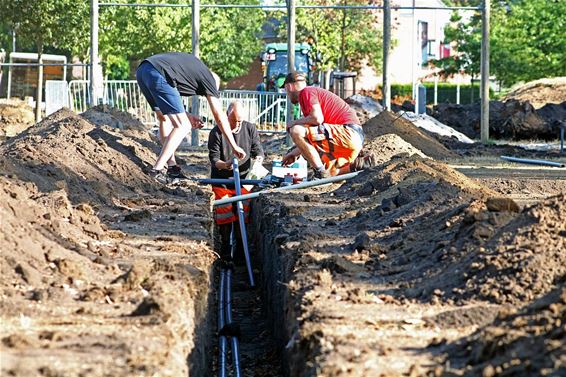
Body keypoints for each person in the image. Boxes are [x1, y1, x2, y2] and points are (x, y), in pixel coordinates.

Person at [136, 52, 245, 183]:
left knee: (164, 119)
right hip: (160, 73)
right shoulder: (209, 79)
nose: (205, 95)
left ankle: (172, 168)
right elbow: (219, 115)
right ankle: (156, 170)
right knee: (183, 125)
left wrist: (187, 115)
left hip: (144, 70)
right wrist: (234, 145)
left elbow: (167, 111)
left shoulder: (192, 71)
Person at [281, 72, 375, 178]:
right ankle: (360, 165)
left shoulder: (306, 92)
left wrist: (293, 123)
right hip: (353, 140)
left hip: (348, 133)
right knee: (331, 172)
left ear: (289, 86)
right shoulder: (312, 95)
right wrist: (294, 153)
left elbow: (317, 119)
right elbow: (313, 137)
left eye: (285, 89)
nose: (287, 94)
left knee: (296, 130)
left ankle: (319, 172)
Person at [208, 101, 264, 260]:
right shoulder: (217, 132)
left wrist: (258, 159)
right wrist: (225, 165)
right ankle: (225, 247)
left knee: (242, 215)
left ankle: (241, 249)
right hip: (222, 182)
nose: (238, 124)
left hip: (245, 181)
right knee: (225, 214)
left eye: (240, 120)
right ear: (227, 116)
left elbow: (257, 149)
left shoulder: (249, 128)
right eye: (234, 120)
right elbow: (214, 159)